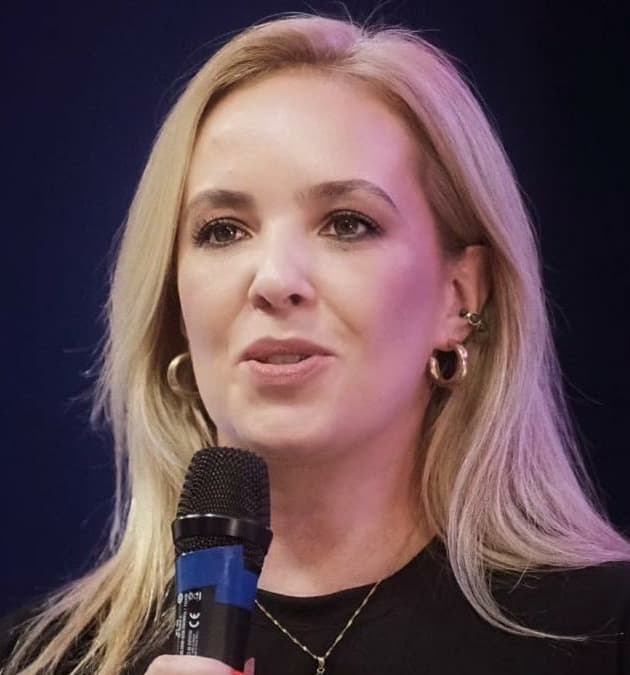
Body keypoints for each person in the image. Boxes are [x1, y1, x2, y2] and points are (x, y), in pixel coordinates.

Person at [2, 10, 630, 675]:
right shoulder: (36, 659)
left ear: (459, 296)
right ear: (175, 308)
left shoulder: (605, 632)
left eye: (347, 223)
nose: (275, 280)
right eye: (223, 230)